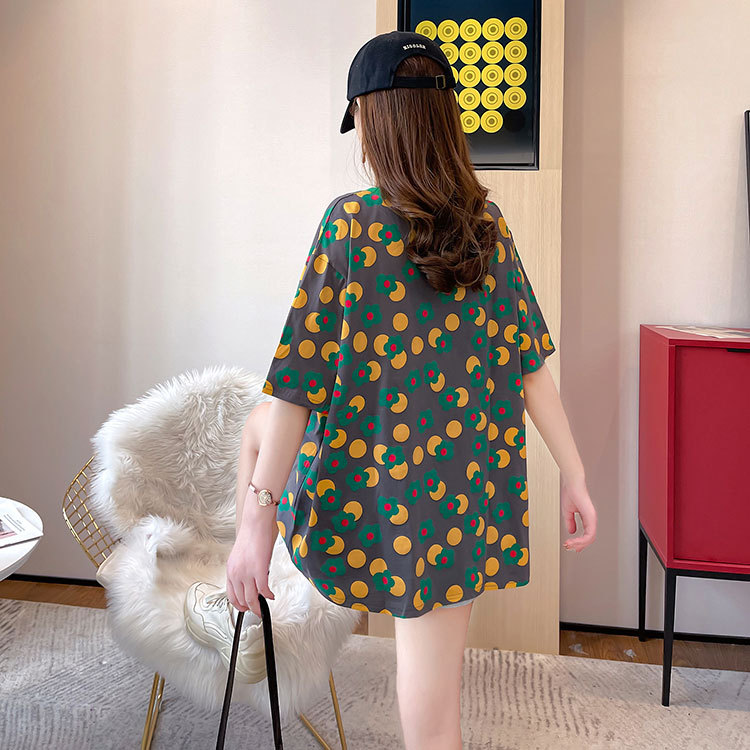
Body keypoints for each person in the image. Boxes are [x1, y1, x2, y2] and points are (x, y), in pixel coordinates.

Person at [201, 30, 596, 750]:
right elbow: (530, 366)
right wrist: (574, 474)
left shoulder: (350, 225)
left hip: (371, 489)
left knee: (261, 421)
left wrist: (253, 532)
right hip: (461, 496)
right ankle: (256, 546)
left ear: (372, 124)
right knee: (434, 687)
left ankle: (250, 558)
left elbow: (297, 386)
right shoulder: (487, 228)